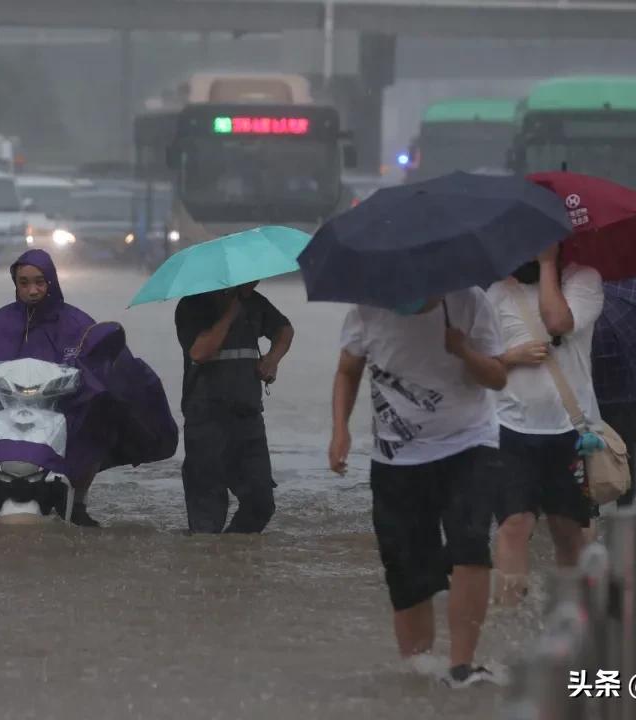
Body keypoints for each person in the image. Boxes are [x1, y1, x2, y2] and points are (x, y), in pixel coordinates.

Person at [328, 290, 507, 688]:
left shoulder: (470, 302)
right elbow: (347, 370)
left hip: (469, 443)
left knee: (470, 544)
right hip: (397, 458)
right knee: (407, 568)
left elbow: (497, 376)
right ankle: (419, 671)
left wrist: (463, 350)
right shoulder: (367, 307)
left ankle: (462, 667)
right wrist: (339, 430)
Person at [0, 248, 178, 526]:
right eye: (24, 283)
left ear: (51, 282)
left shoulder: (76, 323)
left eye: (39, 282)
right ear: (16, 284)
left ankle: (78, 500)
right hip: (5, 407)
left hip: (64, 409)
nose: (32, 290)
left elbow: (100, 358)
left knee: (96, 421)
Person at [487, 244, 604, 605]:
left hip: (571, 431)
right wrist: (511, 357)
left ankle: (574, 618)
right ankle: (511, 615)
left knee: (569, 531)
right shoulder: (497, 292)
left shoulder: (584, 280)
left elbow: (558, 323)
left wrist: (548, 263)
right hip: (510, 429)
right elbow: (475, 364)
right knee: (513, 526)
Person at [175, 282, 293, 534]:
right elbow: (200, 352)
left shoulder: (255, 302)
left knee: (260, 504)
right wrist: (230, 311)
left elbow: (285, 330)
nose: (257, 280)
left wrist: (272, 360)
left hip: (248, 417)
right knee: (207, 518)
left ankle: (235, 563)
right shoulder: (192, 304)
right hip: (206, 419)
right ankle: (208, 566)